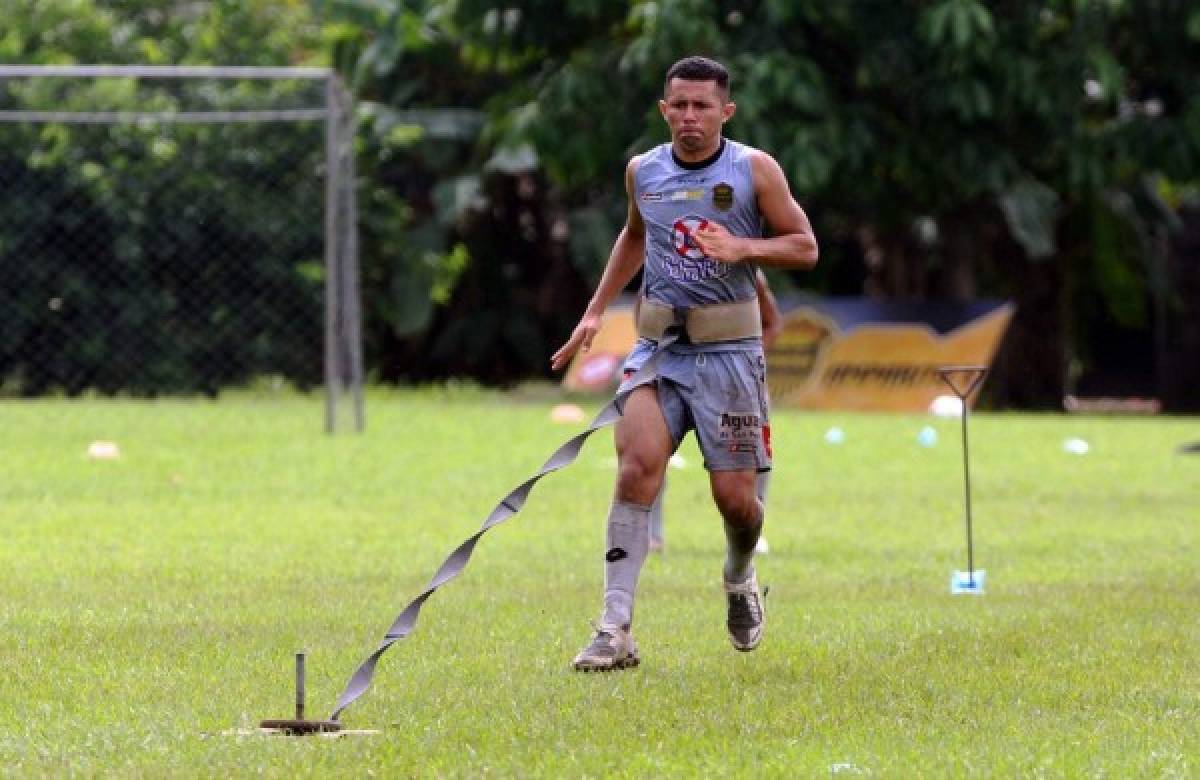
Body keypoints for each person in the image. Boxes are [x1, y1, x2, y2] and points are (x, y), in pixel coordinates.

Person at [550, 55, 818, 671]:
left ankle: (740, 575)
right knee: (636, 469)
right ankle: (614, 629)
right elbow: (635, 235)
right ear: (664, 109)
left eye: (703, 106)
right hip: (657, 352)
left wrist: (743, 246)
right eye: (680, 105)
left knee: (736, 503)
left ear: (727, 110)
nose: (690, 117)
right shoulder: (643, 171)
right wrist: (596, 310)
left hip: (730, 357)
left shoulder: (753, 169)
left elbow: (805, 246)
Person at [647, 268, 783, 553]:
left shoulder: (747, 273)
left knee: (752, 453)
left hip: (735, 376)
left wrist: (749, 361)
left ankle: (753, 533)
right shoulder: (662, 267)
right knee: (648, 451)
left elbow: (771, 323)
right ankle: (651, 535)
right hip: (675, 371)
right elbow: (644, 323)